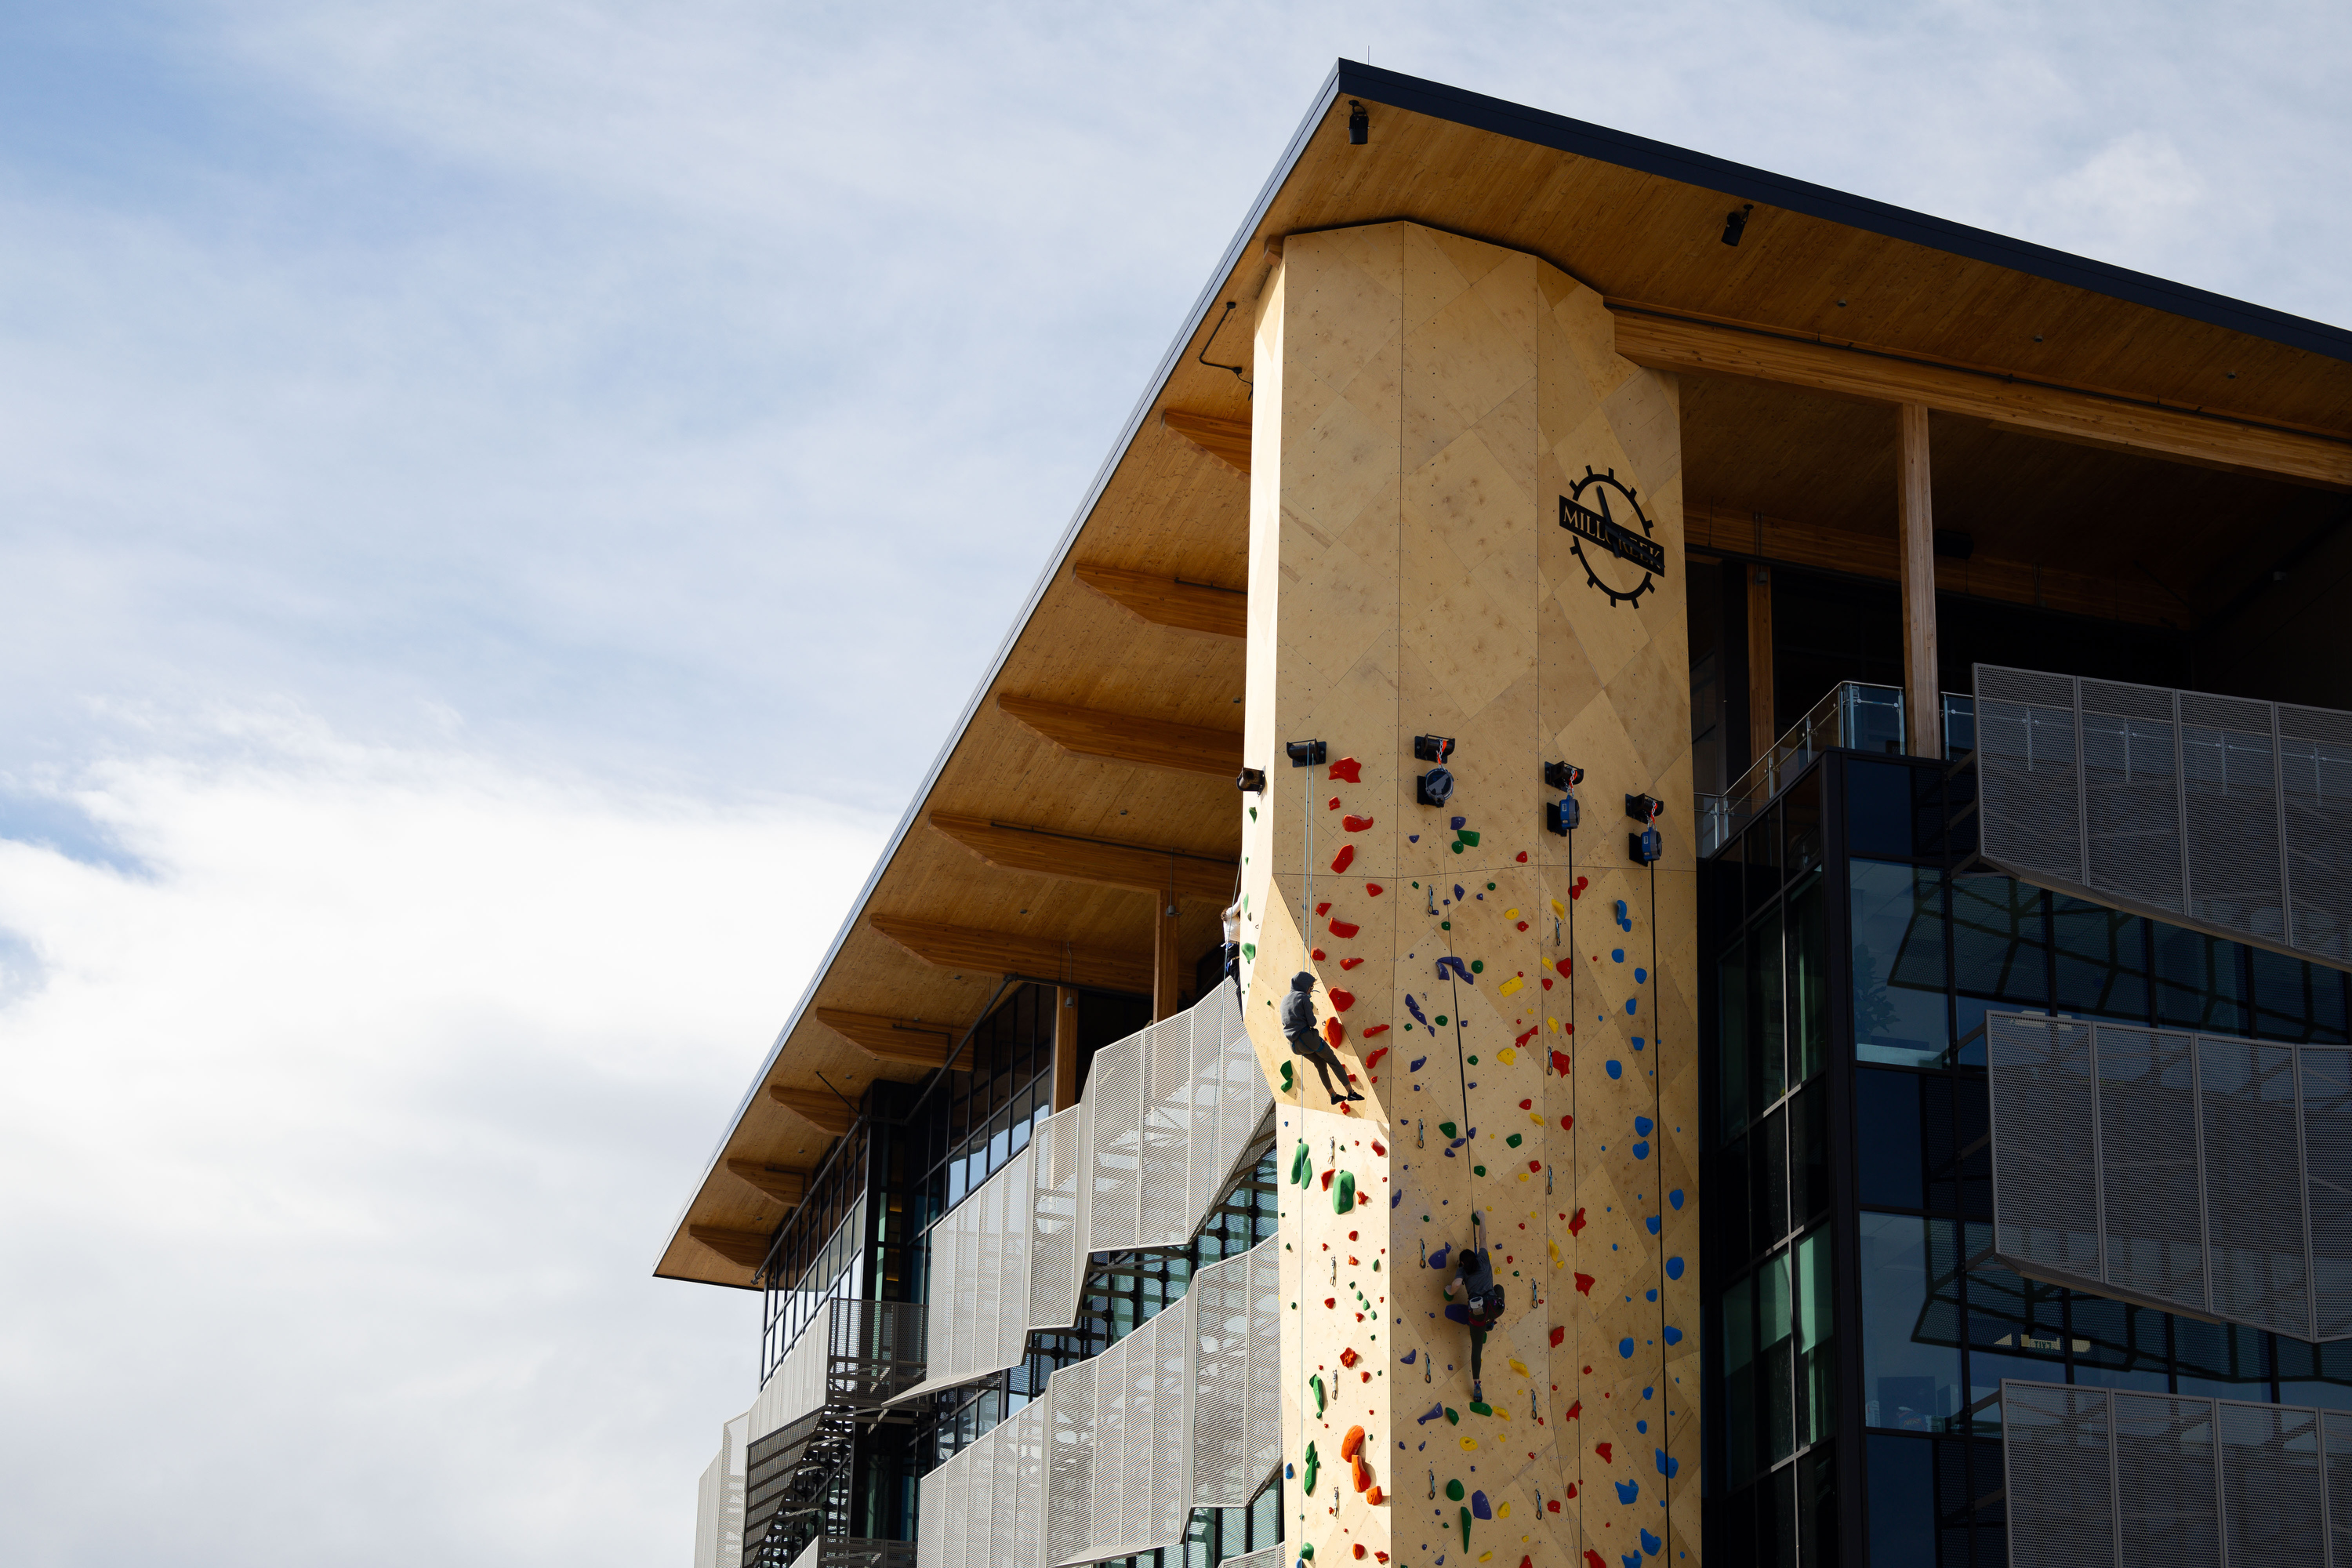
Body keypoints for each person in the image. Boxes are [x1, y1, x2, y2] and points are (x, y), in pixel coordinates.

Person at [1280, 971, 1364, 1105]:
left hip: (1295, 1045)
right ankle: (1351, 1093)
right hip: (1308, 1039)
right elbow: (1312, 1022)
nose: (1310, 990)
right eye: (1310, 987)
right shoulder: (1303, 998)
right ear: (1305, 985)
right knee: (1333, 1061)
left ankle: (1333, 1095)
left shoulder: (1284, 1000)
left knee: (1320, 1064)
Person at [1444, 1236, 1503, 1401]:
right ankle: (1490, 1323)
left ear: (1462, 1263)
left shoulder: (1462, 1271)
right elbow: (1483, 1238)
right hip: (1495, 1308)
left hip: (1478, 1313)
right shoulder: (1483, 1258)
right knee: (1498, 1288)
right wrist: (1482, 1219)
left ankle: (1477, 1385)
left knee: (1477, 1348)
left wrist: (1450, 1291)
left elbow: (1456, 1285)